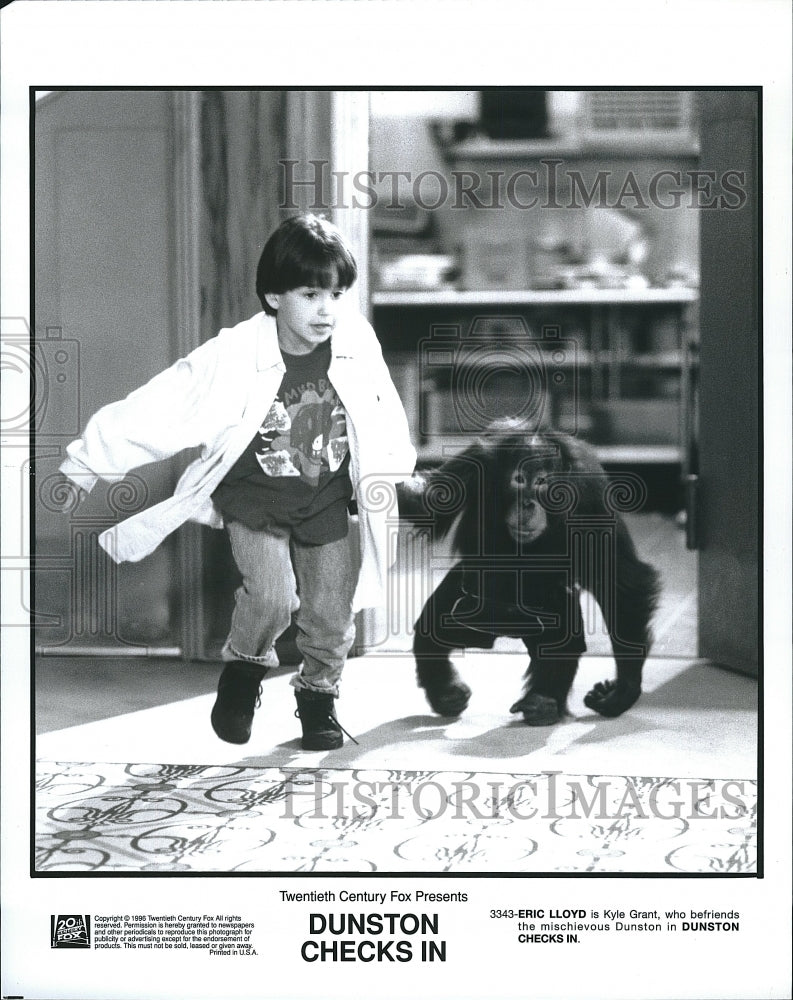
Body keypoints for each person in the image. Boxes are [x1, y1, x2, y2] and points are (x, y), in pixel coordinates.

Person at [57, 214, 416, 750]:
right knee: (273, 599)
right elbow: (164, 403)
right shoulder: (234, 354)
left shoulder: (356, 342)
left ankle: (319, 696)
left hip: (326, 498)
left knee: (331, 613)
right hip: (255, 498)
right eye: (311, 294)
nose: (327, 310)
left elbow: (384, 409)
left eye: (337, 294)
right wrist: (89, 463)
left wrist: (397, 471)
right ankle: (245, 671)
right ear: (274, 297)